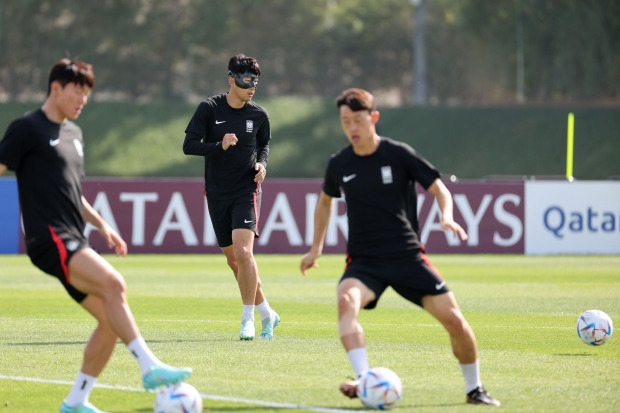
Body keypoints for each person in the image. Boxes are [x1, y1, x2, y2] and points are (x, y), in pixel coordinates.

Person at [0, 58, 192, 413]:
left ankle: (75, 402)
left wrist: (102, 224)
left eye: (87, 93)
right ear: (55, 88)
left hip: (74, 236)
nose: (83, 100)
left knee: (109, 320)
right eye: (78, 91)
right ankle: (149, 367)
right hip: (49, 238)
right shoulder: (27, 128)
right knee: (115, 284)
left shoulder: (74, 134)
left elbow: (73, 192)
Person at [299, 88, 500, 406]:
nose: (352, 128)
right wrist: (316, 248)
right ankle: (365, 380)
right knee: (345, 301)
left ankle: (475, 389)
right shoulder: (339, 163)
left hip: (407, 256)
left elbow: (439, 189)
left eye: (358, 120)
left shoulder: (398, 154)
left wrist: (446, 217)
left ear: (374, 118)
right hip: (364, 262)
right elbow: (324, 203)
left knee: (455, 321)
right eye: (345, 121)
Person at [183, 54, 279, 341]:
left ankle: (247, 319)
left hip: (246, 190)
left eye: (255, 81)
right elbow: (189, 145)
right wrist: (218, 145)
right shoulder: (209, 109)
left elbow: (264, 144)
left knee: (244, 252)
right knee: (234, 261)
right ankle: (267, 314)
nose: (251, 86)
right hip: (217, 192)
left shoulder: (259, 115)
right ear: (231, 80)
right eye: (246, 80)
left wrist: (262, 164)